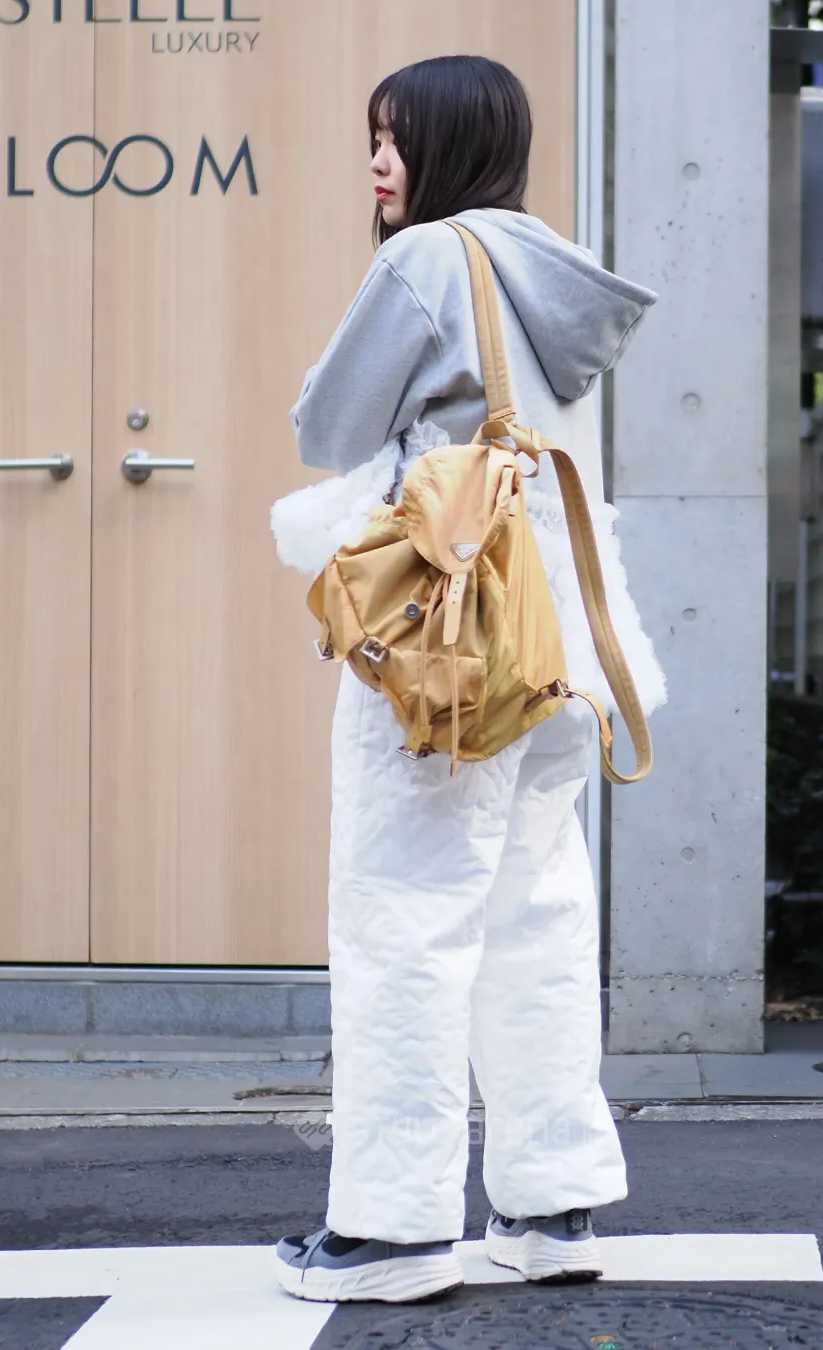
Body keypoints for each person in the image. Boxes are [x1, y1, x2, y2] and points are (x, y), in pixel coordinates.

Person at [271, 54, 665, 1306]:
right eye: (373, 138)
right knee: (536, 923)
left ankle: (392, 1233)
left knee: (404, 921)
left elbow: (325, 429)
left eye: (396, 139)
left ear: (449, 147)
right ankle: (552, 1206)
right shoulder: (556, 274)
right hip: (561, 655)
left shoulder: (429, 261)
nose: (378, 162)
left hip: (451, 655)